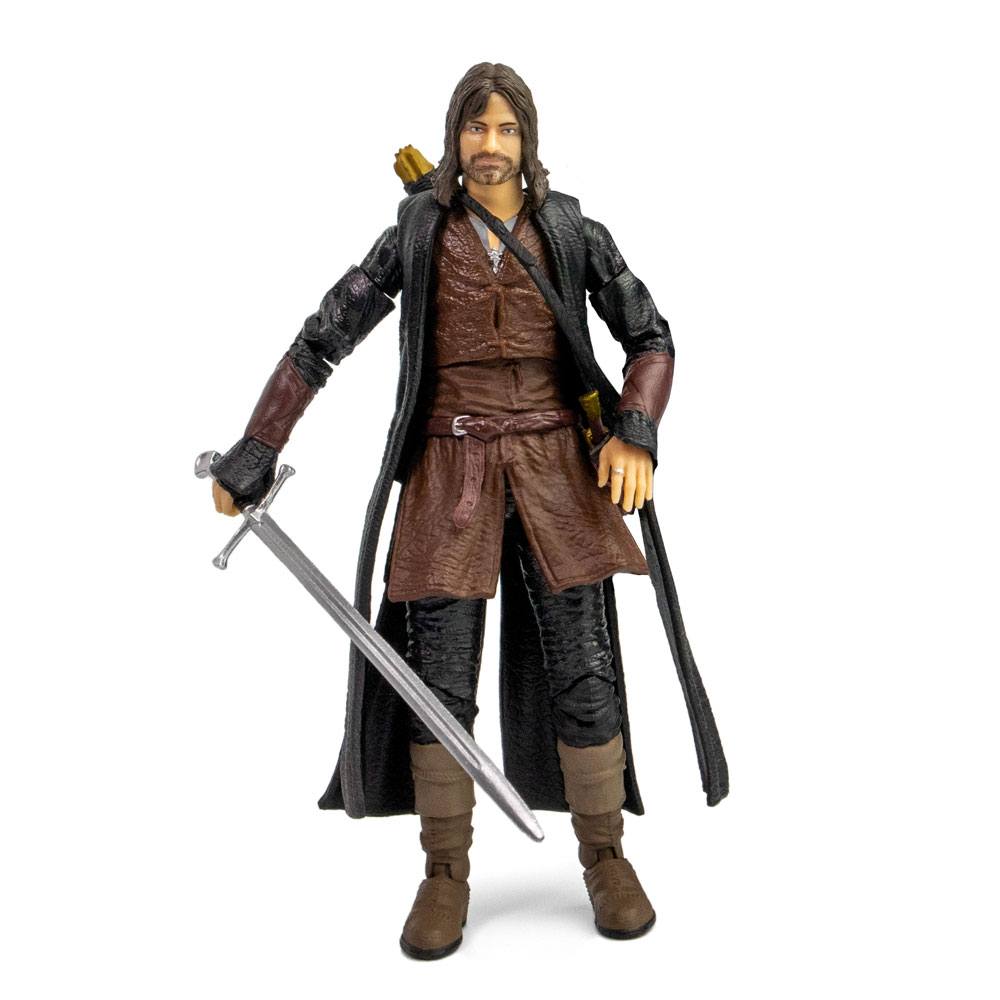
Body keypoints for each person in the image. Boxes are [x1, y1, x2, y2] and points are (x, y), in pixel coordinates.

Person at [210, 62, 727, 960]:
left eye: (506, 128)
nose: (491, 145)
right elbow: (322, 339)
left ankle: (605, 856)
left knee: (585, 668)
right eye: (475, 127)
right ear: (455, 136)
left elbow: (650, 336)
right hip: (448, 474)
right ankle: (444, 872)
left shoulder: (572, 232)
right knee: (439, 682)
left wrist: (635, 432)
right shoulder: (416, 235)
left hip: (557, 472)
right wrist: (258, 446)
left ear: (529, 139)